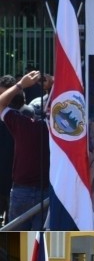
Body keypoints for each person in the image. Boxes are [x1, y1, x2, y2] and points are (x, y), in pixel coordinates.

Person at [0, 71, 50, 229]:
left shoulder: (18, 124)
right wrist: (53, 83)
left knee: (17, 245)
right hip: (46, 191)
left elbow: (1, 104)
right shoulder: (56, 128)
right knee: (40, 245)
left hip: (22, 190)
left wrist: (21, 84)